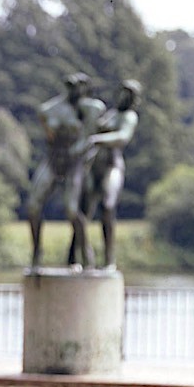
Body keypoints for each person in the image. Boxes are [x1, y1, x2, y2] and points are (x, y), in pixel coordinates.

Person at [25, 72, 106, 268]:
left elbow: (88, 137)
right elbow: (48, 131)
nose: (75, 91)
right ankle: (36, 253)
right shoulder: (49, 109)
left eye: (79, 87)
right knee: (34, 206)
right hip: (53, 159)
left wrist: (78, 150)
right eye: (71, 87)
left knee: (72, 209)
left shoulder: (91, 109)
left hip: (74, 163)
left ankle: (86, 253)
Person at [75, 79, 141, 269]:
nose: (123, 97)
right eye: (122, 92)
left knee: (108, 206)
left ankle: (109, 260)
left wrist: (98, 139)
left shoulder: (129, 117)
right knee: (82, 211)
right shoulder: (111, 114)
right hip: (95, 166)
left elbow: (122, 137)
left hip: (112, 166)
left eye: (128, 94)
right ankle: (78, 258)